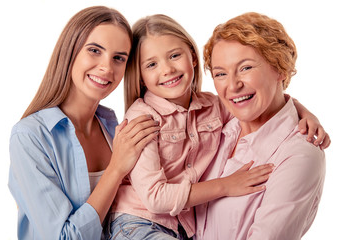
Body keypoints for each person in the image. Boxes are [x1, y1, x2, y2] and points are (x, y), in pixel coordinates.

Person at [108, 14, 327, 240]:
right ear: (141, 76)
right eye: (221, 73)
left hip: (179, 229)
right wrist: (225, 186)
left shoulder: (211, 108)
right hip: (137, 223)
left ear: (192, 58)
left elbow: (272, 102)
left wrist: (303, 112)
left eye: (246, 68)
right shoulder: (143, 119)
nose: (167, 70)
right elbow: (155, 197)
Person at [8, 6, 161, 239]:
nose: (107, 68)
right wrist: (116, 168)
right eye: (94, 50)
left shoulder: (114, 127)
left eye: (118, 58)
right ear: (70, 51)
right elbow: (65, 237)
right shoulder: (30, 137)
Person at [195, 12, 329, 240]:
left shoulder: (299, 154)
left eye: (246, 68)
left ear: (280, 68)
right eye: (220, 73)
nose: (233, 85)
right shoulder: (218, 124)